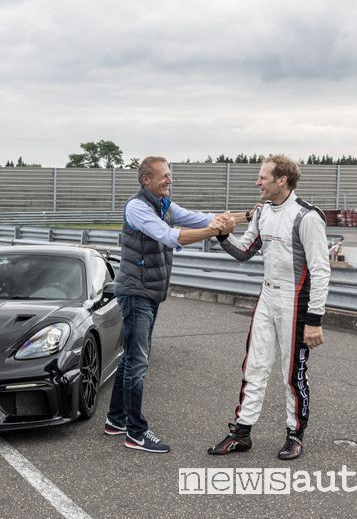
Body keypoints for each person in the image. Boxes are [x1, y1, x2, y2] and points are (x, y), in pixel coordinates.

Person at [104, 156, 247, 453]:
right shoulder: (138, 207)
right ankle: (135, 432)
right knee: (138, 361)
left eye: (169, 175)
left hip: (148, 292)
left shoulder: (164, 205)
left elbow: (196, 217)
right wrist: (215, 231)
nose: (170, 180)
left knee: (132, 357)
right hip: (136, 293)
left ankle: (116, 420)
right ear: (146, 180)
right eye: (164, 176)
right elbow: (169, 237)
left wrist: (235, 217)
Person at [207, 155, 329, 460]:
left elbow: (321, 270)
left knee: (293, 373)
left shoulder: (307, 216)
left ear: (281, 180)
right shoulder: (262, 213)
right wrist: (223, 235)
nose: (257, 182)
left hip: (296, 302)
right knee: (254, 365)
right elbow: (244, 251)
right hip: (267, 297)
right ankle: (242, 433)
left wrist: (314, 320)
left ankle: (295, 435)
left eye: (263, 177)